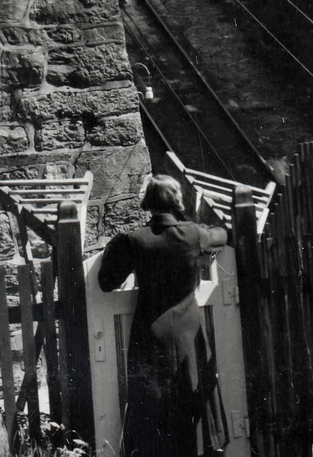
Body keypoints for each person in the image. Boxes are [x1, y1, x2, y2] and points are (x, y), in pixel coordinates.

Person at [98, 174, 230, 457]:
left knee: (153, 418)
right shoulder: (193, 235)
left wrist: (115, 246)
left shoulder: (134, 240)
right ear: (177, 200)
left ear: (148, 202)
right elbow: (222, 235)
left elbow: (106, 281)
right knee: (192, 411)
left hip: (150, 338)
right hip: (188, 337)